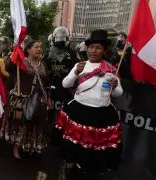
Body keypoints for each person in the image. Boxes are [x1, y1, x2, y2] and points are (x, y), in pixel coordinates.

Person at [56, 29, 123, 179]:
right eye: (91, 47)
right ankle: (66, 167)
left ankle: (84, 168)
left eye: (98, 47)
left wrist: (116, 83)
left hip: (100, 114)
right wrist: (74, 73)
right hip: (78, 111)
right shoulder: (80, 65)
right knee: (72, 144)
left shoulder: (111, 70)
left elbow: (118, 93)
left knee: (92, 147)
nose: (93, 51)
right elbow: (65, 84)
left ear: (104, 51)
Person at [0, 40, 53, 159]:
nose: (39, 49)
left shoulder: (43, 64)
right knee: (21, 125)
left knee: (35, 125)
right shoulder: (21, 62)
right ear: (28, 49)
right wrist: (15, 53)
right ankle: (16, 147)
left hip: (39, 101)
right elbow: (8, 67)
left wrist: (48, 98)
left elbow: (47, 83)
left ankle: (30, 146)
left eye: (40, 47)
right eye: (36, 47)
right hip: (21, 99)